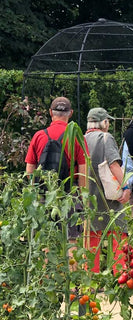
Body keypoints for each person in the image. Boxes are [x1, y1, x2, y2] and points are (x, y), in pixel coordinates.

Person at [25, 96, 87, 240]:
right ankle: (72, 263)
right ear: (70, 113)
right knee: (72, 239)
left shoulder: (39, 136)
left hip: (44, 193)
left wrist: (35, 194)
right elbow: (83, 172)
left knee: (46, 239)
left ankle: (47, 263)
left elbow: (30, 171)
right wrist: (82, 199)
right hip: (71, 193)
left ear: (50, 113)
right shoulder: (77, 137)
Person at [85, 107, 131, 273]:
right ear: (103, 122)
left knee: (92, 241)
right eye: (108, 120)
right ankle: (121, 277)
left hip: (88, 199)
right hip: (108, 198)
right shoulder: (105, 138)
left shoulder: (81, 139)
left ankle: (91, 280)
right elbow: (113, 164)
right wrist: (125, 187)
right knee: (118, 236)